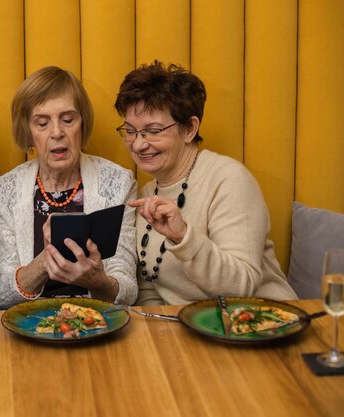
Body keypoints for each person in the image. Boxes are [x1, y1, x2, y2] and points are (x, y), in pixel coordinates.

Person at [114, 61, 297, 305]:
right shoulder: (147, 192)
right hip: (189, 330)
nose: (138, 145)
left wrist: (183, 236)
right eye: (130, 131)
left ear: (189, 129)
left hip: (259, 320)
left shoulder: (229, 180)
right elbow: (150, 285)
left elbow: (241, 285)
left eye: (153, 131)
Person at [0, 66, 138, 309]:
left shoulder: (118, 183)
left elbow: (128, 289)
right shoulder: (3, 191)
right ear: (28, 133)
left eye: (68, 120)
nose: (57, 132)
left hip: (98, 320)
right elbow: (0, 298)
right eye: (42, 123)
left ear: (82, 124)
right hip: (31, 324)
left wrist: (99, 282)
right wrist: (45, 262)